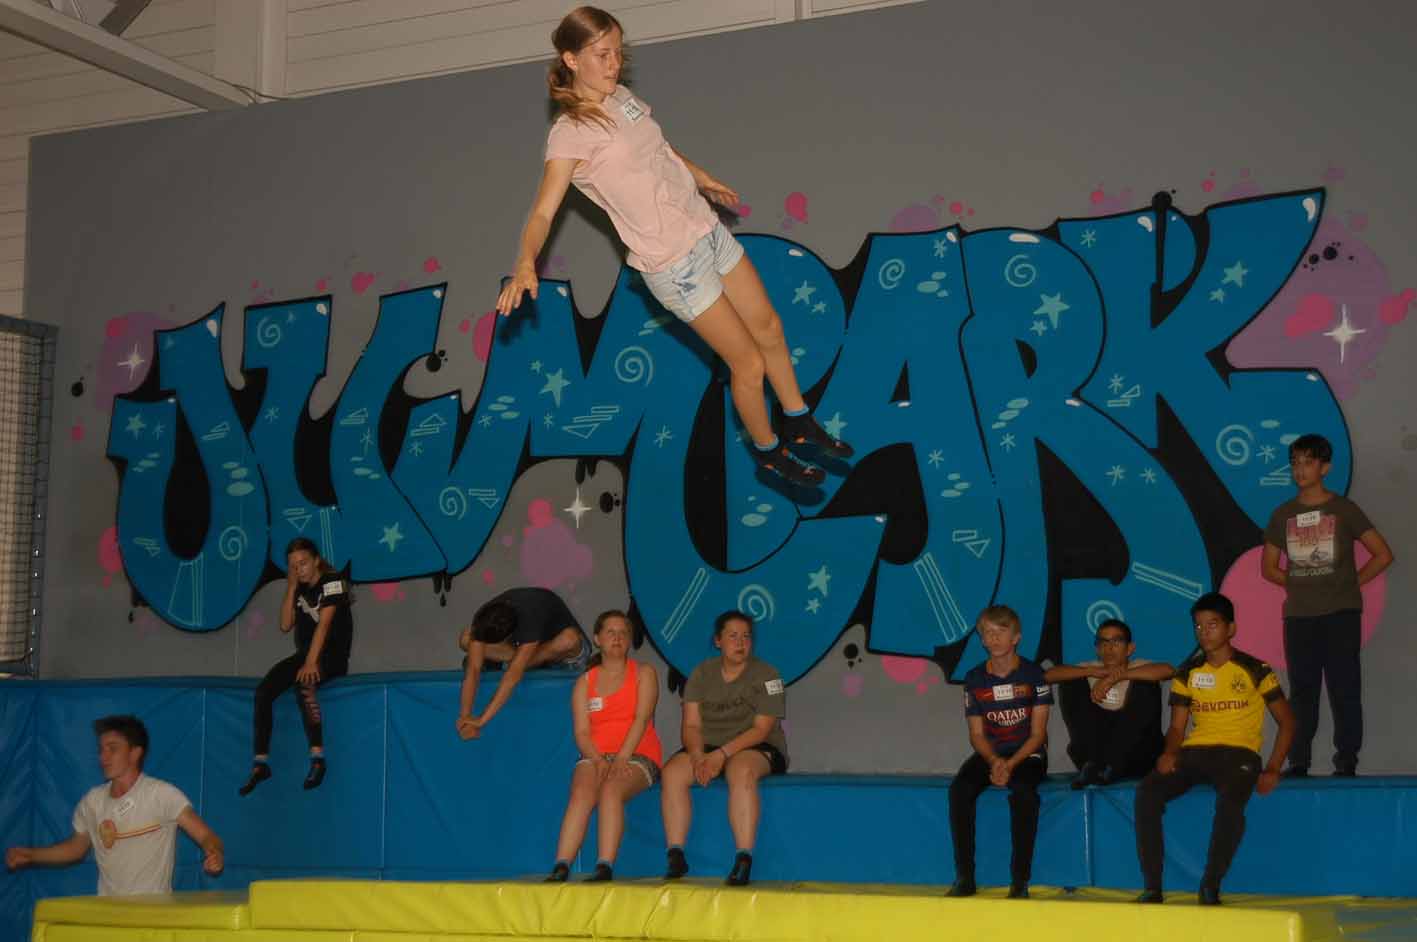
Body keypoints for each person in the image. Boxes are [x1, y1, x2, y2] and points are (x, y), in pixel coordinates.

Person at [494, 6, 852, 487]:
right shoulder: (569, 135)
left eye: (618, 53)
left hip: (705, 229)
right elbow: (542, 212)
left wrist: (700, 178)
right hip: (673, 264)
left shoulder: (621, 98)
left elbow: (659, 149)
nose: (614, 64)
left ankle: (798, 419)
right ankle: (769, 452)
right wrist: (525, 263)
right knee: (746, 362)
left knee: (769, 326)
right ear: (572, 60)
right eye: (602, 55)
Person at [1134, 592, 1295, 905]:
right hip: (1195, 752)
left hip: (1239, 753)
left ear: (1230, 628)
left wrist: (1274, 767)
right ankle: (1153, 888)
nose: (1204, 632)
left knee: (1230, 803)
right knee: (1147, 792)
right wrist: (1170, 752)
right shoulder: (1187, 673)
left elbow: (1287, 722)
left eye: (1212, 624)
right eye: (1198, 626)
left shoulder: (1255, 668)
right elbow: (1177, 728)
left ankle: (1210, 886)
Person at [1261, 433, 1392, 777]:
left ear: (1325, 467)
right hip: (1299, 616)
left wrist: (1350, 582)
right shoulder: (1283, 514)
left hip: (1341, 614)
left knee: (1344, 688)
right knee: (1302, 691)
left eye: (1308, 462)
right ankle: (1298, 761)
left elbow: (1383, 554)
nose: (1300, 470)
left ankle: (1346, 760)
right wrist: (1298, 581)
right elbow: (1268, 568)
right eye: (1295, 463)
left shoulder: (1344, 509)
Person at [5, 715, 223, 894]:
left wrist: (214, 853)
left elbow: (206, 836)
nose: (103, 757)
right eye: (101, 749)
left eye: (112, 748)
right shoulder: (92, 802)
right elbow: (75, 849)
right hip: (108, 916)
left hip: (152, 916)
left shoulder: (162, 794)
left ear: (135, 753)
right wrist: (32, 855)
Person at [661, 610, 787, 886]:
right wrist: (698, 756)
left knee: (740, 770)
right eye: (733, 636)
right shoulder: (701, 673)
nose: (741, 643)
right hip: (708, 746)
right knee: (672, 773)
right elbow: (691, 726)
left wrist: (721, 755)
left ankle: (743, 858)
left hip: (757, 745)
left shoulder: (769, 675)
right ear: (718, 641)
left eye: (746, 637)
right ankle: (675, 854)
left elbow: (761, 729)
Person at [546, 610, 662, 882]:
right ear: (597, 639)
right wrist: (598, 760)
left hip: (637, 754)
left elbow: (642, 719)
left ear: (630, 640)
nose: (617, 638)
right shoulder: (584, 682)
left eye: (623, 633)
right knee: (582, 793)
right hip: (596, 755)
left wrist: (621, 758)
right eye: (610, 632)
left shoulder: (644, 673)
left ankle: (604, 866)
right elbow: (582, 732)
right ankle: (561, 865)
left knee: (611, 790)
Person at [948, 605, 1052, 900]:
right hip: (991, 754)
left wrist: (1011, 764)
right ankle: (965, 878)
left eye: (1000, 632)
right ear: (981, 639)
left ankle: (1019, 882)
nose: (993, 639)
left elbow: (1038, 735)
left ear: (1016, 638)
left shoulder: (1034, 675)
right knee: (959, 790)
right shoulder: (974, 678)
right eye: (987, 633)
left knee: (1024, 794)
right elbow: (976, 734)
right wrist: (994, 761)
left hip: (1028, 754)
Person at [240, 537, 352, 795]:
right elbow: (284, 624)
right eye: (293, 566)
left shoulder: (333, 582)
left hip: (331, 656)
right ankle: (260, 763)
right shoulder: (298, 586)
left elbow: (324, 625)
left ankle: (318, 758)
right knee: (263, 691)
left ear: (316, 560)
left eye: (303, 563)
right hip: (305, 655)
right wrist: (291, 588)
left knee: (305, 685)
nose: (299, 570)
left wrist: (312, 663)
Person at [1044, 618, 1171, 788]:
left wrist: (1114, 677)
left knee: (1146, 684)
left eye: (1116, 642)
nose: (1109, 648)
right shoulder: (1090, 668)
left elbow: (1168, 670)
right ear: (1097, 649)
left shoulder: (1140, 666)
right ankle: (1094, 766)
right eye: (1103, 642)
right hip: (1097, 753)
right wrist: (1091, 671)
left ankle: (1110, 765)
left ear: (1130, 648)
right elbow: (1048, 676)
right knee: (1072, 680)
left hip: (1137, 753)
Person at [456, 586, 589, 740]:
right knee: (466, 639)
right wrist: (465, 717)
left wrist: (482, 720)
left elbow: (512, 677)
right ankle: (512, 660)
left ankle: (508, 661)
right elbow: (473, 670)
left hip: (562, 656)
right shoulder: (484, 616)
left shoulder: (531, 616)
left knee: (569, 639)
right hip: (523, 653)